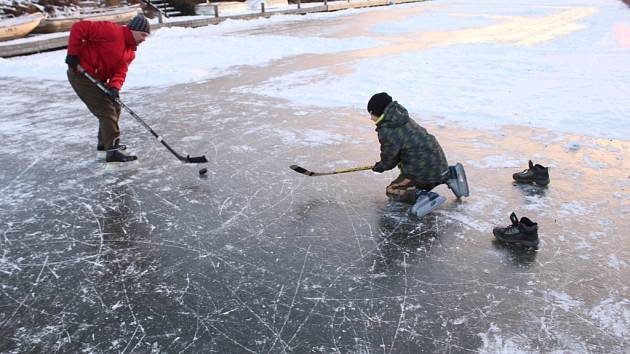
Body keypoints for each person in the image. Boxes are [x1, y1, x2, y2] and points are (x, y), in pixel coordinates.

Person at [65, 15, 151, 163]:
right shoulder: (111, 31)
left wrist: (114, 88)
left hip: (97, 79)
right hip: (80, 74)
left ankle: (104, 145)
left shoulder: (130, 52)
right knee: (106, 111)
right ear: (133, 30)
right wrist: (73, 53)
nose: (144, 39)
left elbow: (120, 72)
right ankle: (112, 151)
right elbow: (79, 27)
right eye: (143, 34)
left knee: (116, 105)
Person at [368, 92, 450, 204]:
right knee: (431, 173)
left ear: (379, 112)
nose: (371, 118)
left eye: (371, 114)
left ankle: (422, 195)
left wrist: (380, 167)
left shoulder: (387, 130)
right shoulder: (401, 117)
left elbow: (389, 160)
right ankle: (451, 175)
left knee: (392, 190)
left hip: (422, 173)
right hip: (439, 164)